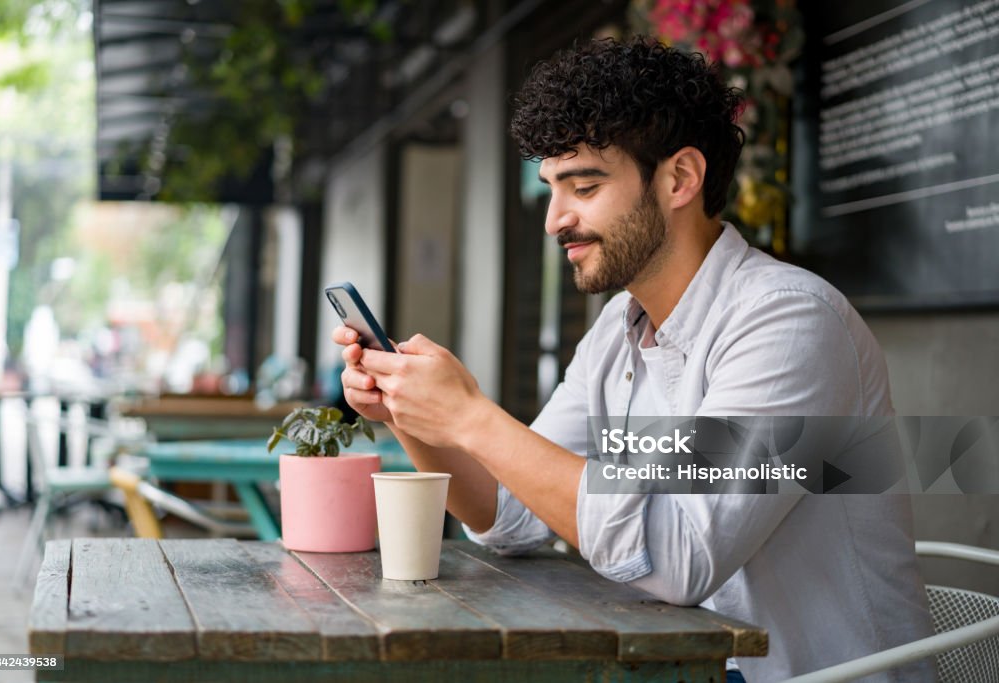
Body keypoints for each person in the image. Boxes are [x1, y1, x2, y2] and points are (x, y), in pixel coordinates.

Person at [333, 38, 936, 681]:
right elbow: (508, 516)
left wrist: (473, 418)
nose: (555, 220)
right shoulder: (617, 330)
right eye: (551, 190)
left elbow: (677, 558)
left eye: (584, 186)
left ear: (679, 179)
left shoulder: (788, 321)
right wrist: (410, 409)